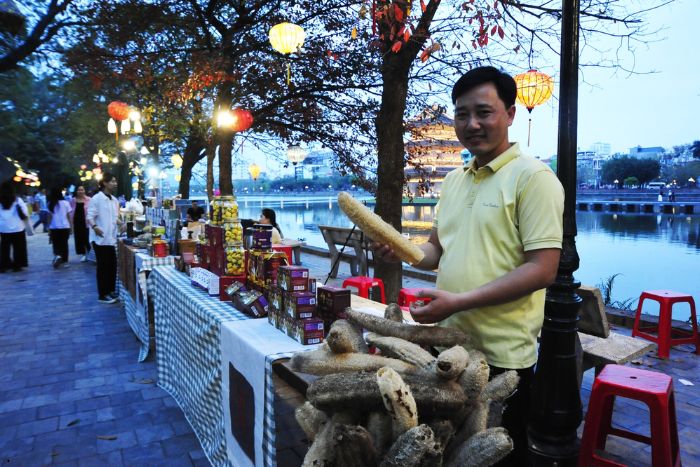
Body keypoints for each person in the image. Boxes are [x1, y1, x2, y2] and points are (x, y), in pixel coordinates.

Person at [372, 66, 564, 466]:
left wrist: (459, 300)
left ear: (510, 114)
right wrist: (402, 250)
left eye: (483, 112)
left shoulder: (535, 179)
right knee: (447, 452)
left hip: (501, 357)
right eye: (462, 114)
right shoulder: (456, 180)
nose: (471, 124)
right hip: (448, 347)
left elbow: (543, 269)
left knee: (495, 455)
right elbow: (435, 251)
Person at [87, 173, 122, 304]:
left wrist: (122, 224)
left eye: (115, 181)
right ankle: (103, 294)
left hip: (111, 238)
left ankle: (111, 291)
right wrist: (95, 226)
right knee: (103, 267)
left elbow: (115, 218)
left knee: (112, 265)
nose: (115, 183)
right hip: (99, 239)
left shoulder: (114, 200)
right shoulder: (96, 199)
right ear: (105, 183)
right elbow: (90, 216)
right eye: (113, 181)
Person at [0, 181, 29, 272]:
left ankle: (4, 265)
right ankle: (18, 264)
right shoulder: (17, 200)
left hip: (4, 228)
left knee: (4, 248)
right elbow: (25, 213)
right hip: (18, 227)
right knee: (18, 247)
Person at [47, 187, 73, 268]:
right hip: (65, 227)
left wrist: (48, 228)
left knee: (55, 243)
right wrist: (71, 227)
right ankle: (65, 261)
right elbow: (69, 216)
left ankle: (58, 255)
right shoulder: (66, 203)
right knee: (64, 244)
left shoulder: (50, 203)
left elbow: (49, 217)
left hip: (54, 227)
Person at [70, 185, 91, 262]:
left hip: (87, 222)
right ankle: (83, 254)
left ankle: (90, 254)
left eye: (82, 189)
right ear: (76, 191)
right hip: (77, 222)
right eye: (79, 190)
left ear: (84, 190)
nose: (80, 191)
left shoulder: (89, 200)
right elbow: (70, 212)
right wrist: (71, 224)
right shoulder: (73, 200)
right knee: (79, 239)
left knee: (87, 238)